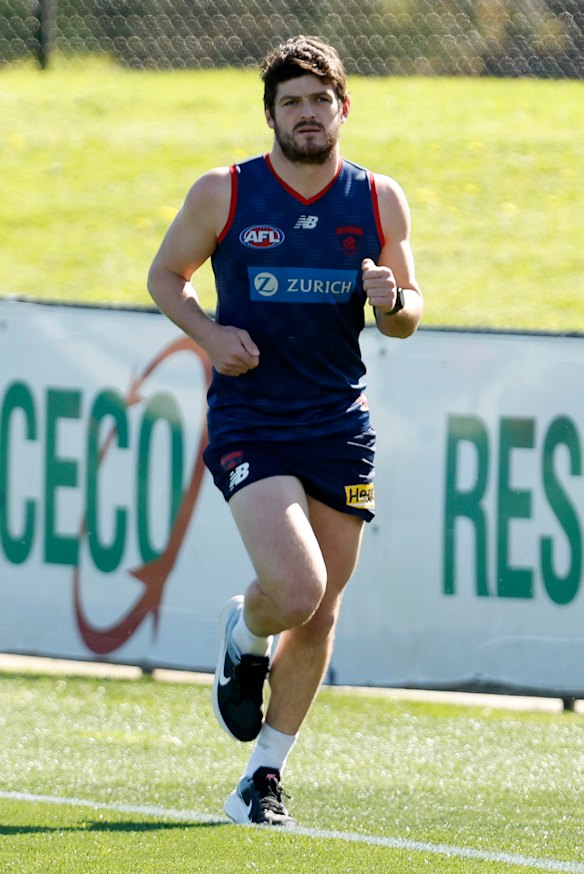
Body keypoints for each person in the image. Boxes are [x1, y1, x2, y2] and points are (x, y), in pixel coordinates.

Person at [148, 34, 423, 827]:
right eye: (291, 102)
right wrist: (207, 333)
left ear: (344, 108)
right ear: (270, 113)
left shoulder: (378, 199)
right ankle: (245, 630)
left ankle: (260, 777)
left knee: (325, 608)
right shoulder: (225, 191)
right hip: (253, 422)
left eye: (319, 100)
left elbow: (409, 315)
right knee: (296, 591)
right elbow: (165, 275)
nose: (307, 114)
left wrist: (389, 300)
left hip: (341, 426)